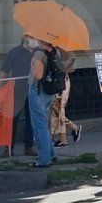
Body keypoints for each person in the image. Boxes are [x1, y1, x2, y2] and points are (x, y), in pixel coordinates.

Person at [0, 36, 36, 157]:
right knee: (12, 120)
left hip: (33, 90)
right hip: (16, 91)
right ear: (24, 37)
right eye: (31, 37)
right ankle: (8, 147)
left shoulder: (39, 53)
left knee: (32, 120)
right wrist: (0, 90)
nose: (34, 39)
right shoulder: (14, 52)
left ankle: (29, 146)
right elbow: (4, 72)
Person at [28, 38, 61, 168]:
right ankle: (51, 155)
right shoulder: (55, 52)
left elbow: (37, 75)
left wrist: (32, 65)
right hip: (50, 92)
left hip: (38, 91)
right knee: (44, 125)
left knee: (39, 127)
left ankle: (44, 160)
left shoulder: (39, 54)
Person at [49, 48, 81, 148]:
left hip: (61, 82)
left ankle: (63, 138)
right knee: (56, 110)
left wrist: (62, 67)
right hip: (56, 81)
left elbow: (72, 60)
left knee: (57, 109)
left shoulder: (62, 48)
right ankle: (64, 136)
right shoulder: (53, 49)